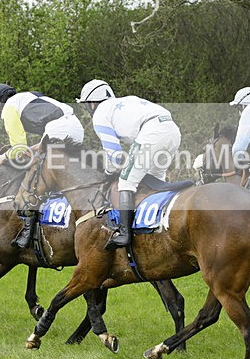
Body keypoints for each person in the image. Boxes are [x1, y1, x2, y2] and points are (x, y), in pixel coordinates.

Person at [76, 79, 181, 250]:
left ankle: (124, 233)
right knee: (154, 183)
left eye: (87, 105)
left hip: (152, 131)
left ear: (93, 103)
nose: (89, 109)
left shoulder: (101, 113)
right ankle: (157, 228)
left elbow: (115, 156)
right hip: (172, 131)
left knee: (126, 182)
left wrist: (108, 172)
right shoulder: (123, 103)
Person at [0, 83, 85, 248]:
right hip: (76, 127)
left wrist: (3, 157)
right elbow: (32, 147)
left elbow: (19, 149)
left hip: (57, 129)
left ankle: (27, 231)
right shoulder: (28, 96)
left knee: (33, 175)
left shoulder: (9, 108)